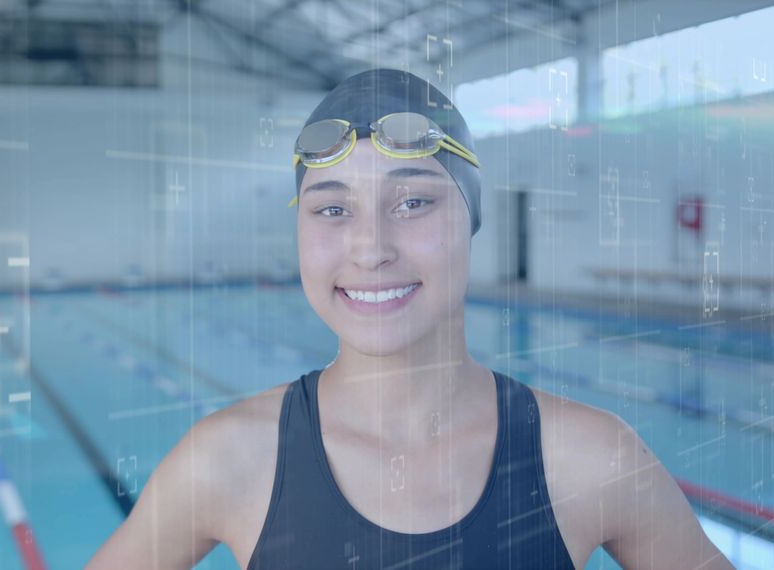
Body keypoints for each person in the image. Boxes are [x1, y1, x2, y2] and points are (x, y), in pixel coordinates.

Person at [88, 69, 731, 569]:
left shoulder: (592, 458)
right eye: (331, 209)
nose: (371, 248)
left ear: (471, 222)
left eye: (414, 200)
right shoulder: (225, 460)